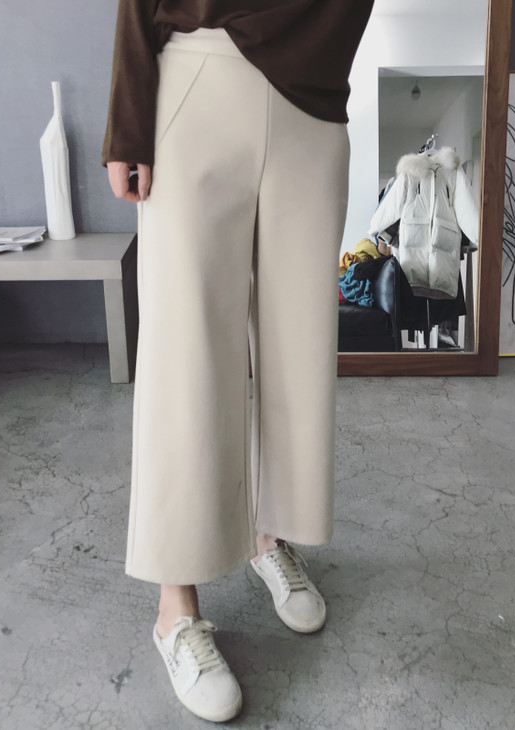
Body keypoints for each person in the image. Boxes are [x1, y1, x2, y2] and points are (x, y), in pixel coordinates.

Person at [102, 2, 374, 723]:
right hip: (201, 69)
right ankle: (176, 606)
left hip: (313, 103)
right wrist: (128, 118)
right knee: (184, 352)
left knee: (299, 348)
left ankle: (268, 533)